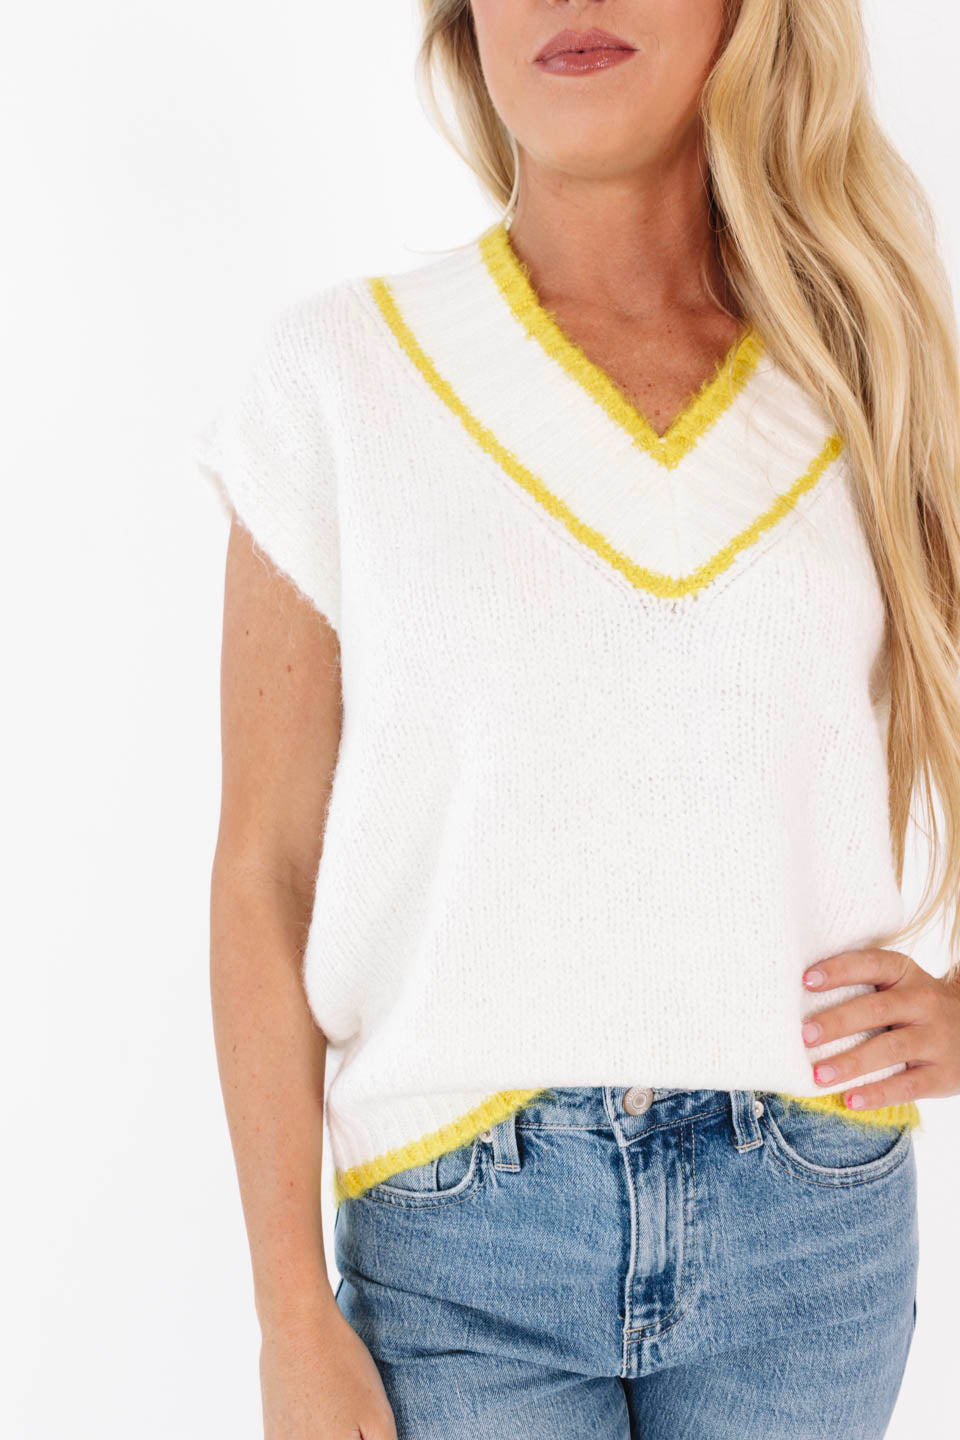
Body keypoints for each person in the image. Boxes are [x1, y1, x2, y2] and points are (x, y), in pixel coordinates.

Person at [196, 2, 960, 1436]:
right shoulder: (337, 381)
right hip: (459, 1243)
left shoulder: (872, 376)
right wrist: (289, 1309)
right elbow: (266, 874)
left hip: (812, 1232)